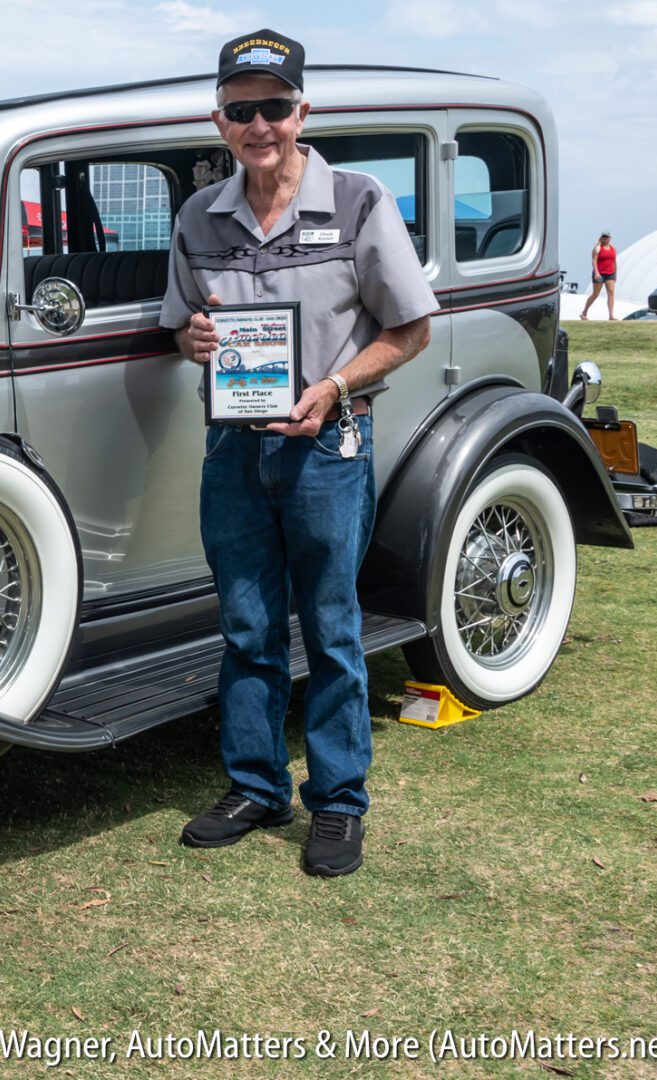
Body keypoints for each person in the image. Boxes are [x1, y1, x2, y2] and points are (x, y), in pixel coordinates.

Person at [159, 29, 437, 877]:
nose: (259, 124)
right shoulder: (197, 216)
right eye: (241, 110)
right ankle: (256, 785)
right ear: (221, 120)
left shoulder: (356, 201)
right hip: (234, 453)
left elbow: (412, 329)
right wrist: (194, 338)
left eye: (274, 106)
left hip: (329, 446)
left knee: (331, 627)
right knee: (246, 626)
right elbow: (176, 330)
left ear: (302, 110)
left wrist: (335, 389)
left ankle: (339, 803)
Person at [580, 232, 618, 320]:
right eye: (603, 237)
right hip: (600, 273)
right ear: (601, 238)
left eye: (607, 237)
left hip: (610, 273)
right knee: (596, 294)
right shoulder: (597, 248)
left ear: (610, 238)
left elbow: (614, 262)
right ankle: (584, 312)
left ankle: (611, 315)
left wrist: (615, 273)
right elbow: (594, 261)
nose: (605, 238)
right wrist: (596, 273)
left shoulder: (613, 249)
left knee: (611, 293)